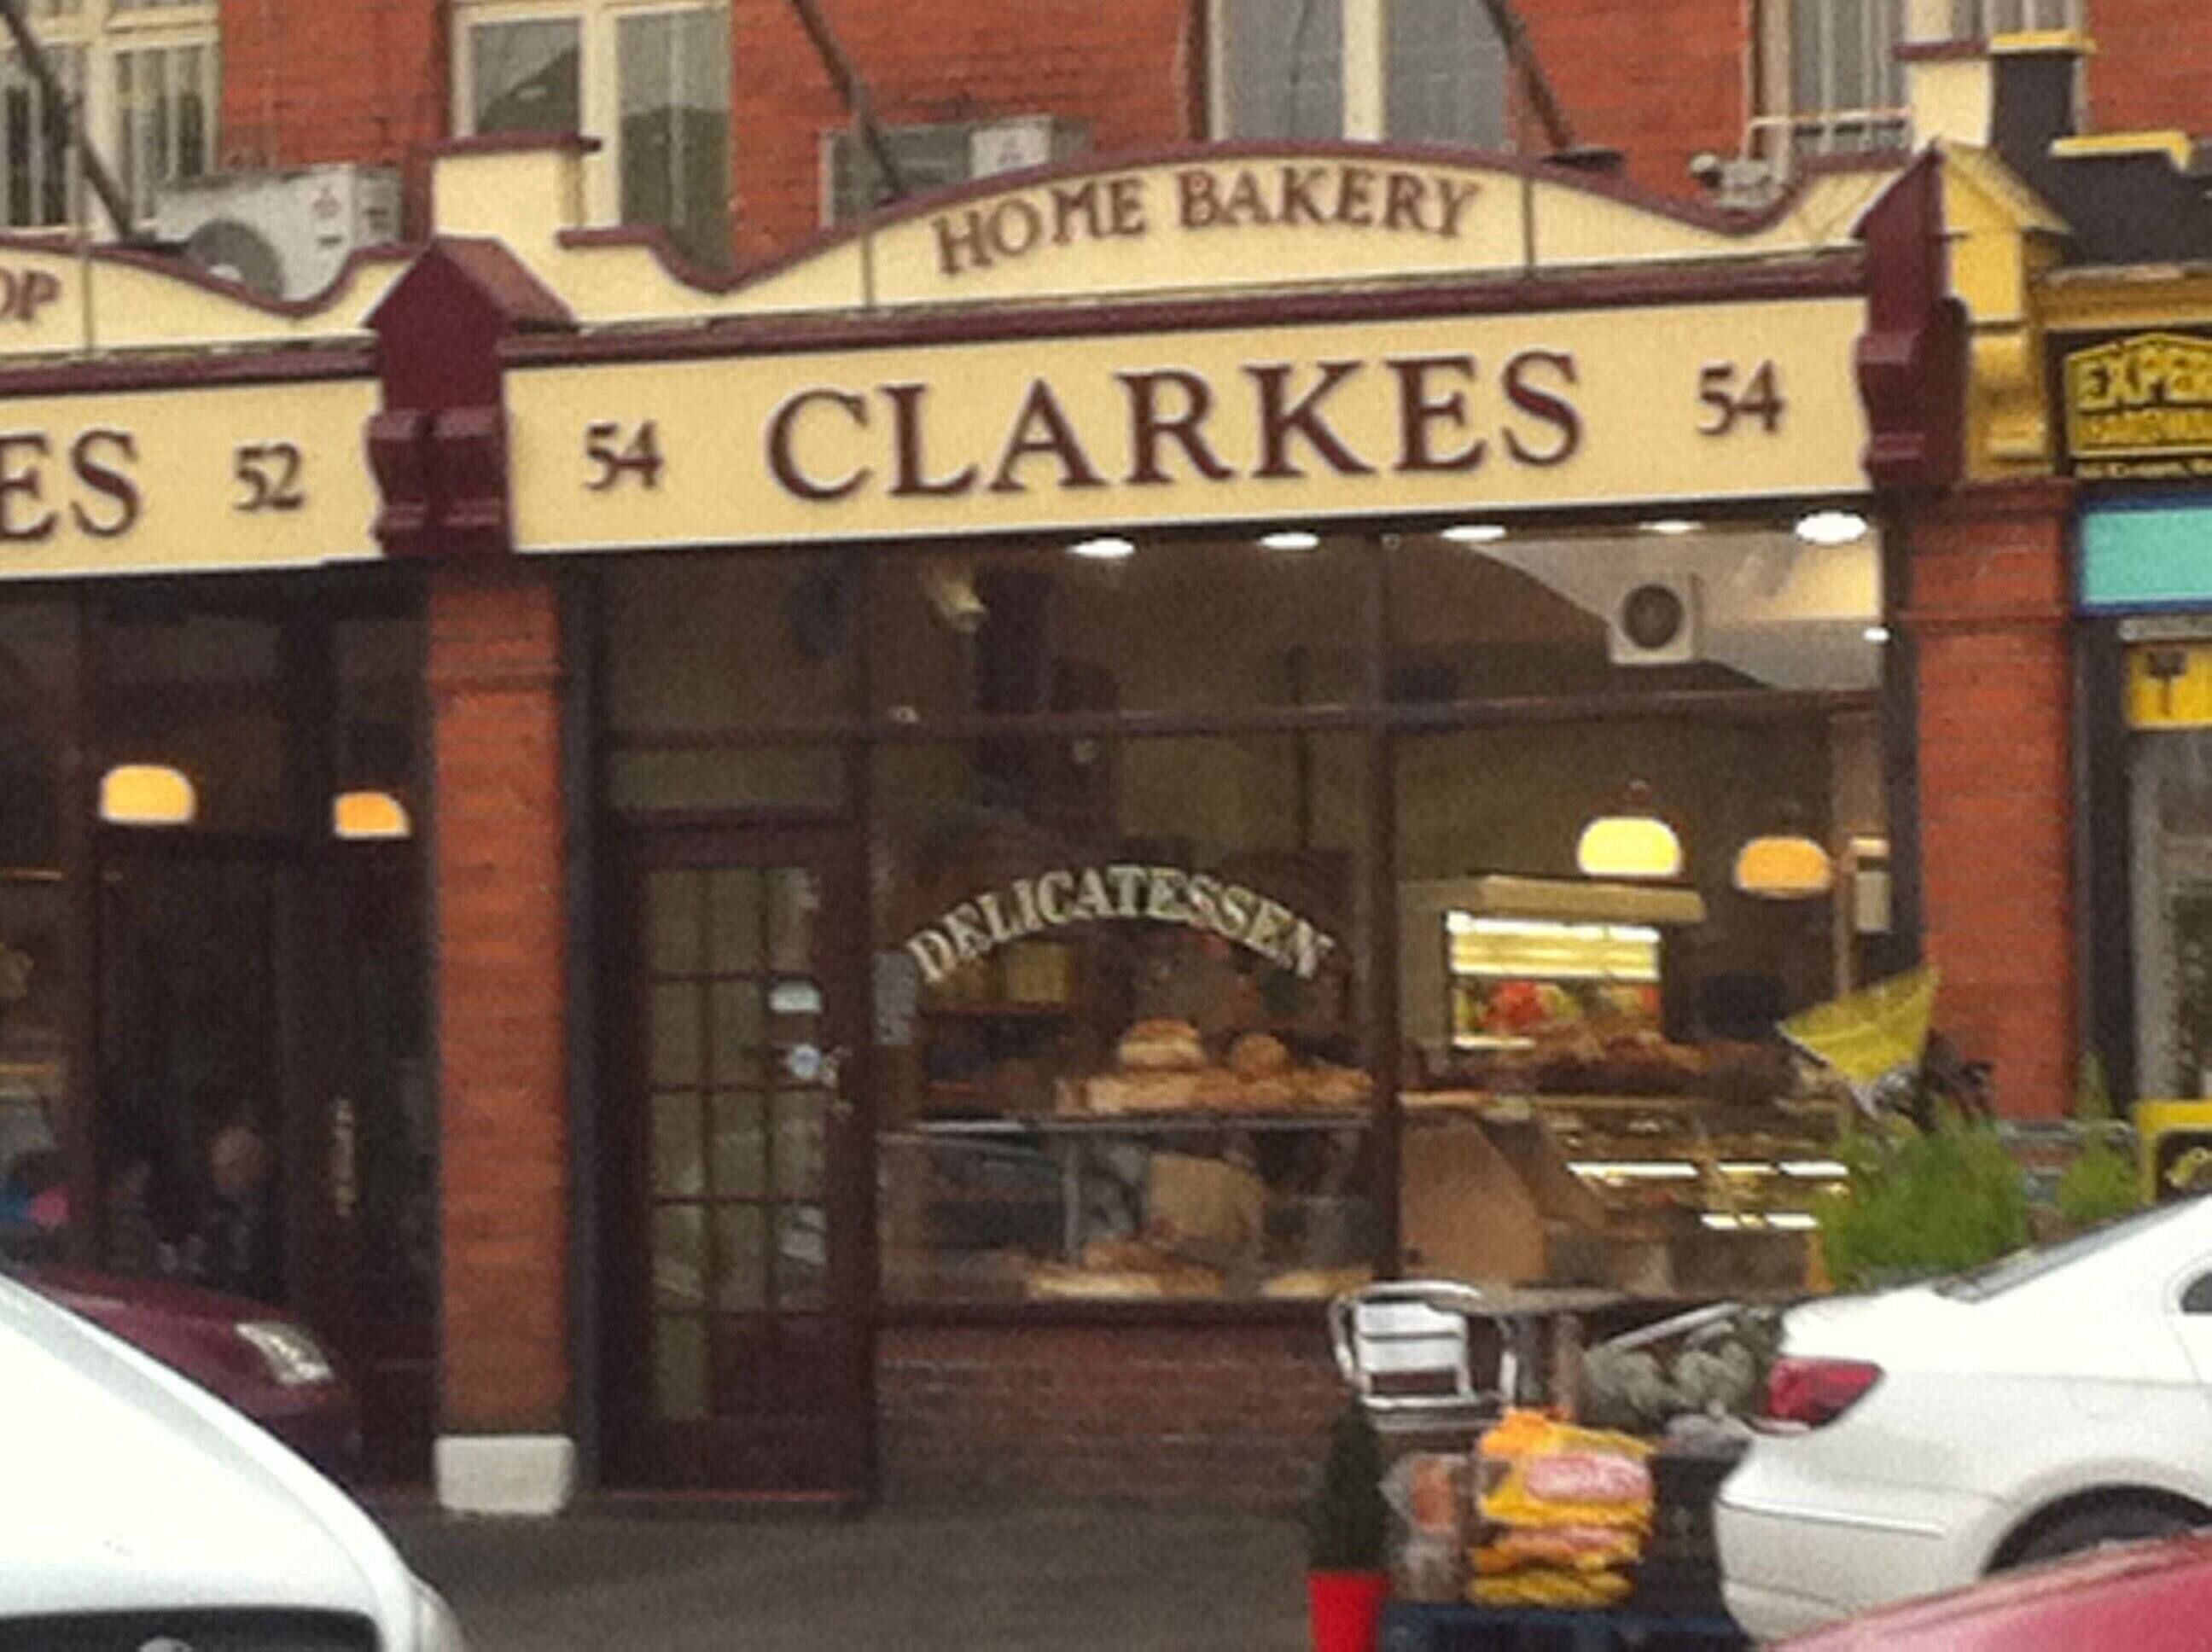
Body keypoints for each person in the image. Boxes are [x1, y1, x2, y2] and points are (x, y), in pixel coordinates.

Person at [190, 1122, 281, 1300]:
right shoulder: (208, 1213)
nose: (223, 1177)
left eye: (233, 1167)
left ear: (258, 1166)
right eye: (217, 1169)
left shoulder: (281, 1215)